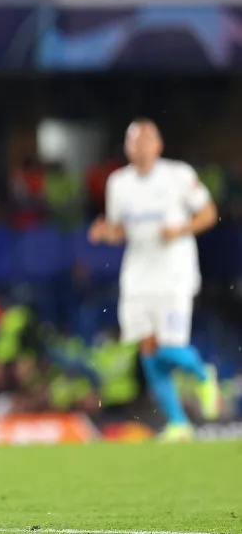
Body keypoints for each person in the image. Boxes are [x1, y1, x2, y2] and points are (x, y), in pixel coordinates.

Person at [88, 118, 221, 442]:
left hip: (174, 273)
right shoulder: (118, 183)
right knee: (147, 349)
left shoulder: (179, 175)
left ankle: (203, 374)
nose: (140, 146)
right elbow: (120, 230)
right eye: (133, 140)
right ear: (127, 147)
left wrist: (179, 230)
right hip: (137, 276)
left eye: (146, 139)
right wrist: (106, 231)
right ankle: (178, 423)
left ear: (158, 146)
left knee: (167, 345)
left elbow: (208, 214)